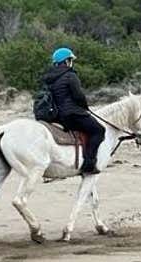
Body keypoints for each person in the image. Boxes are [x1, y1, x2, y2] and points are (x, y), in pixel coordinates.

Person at [42, 47, 105, 175]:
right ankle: (89, 164)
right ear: (66, 61)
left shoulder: (50, 78)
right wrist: (85, 107)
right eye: (71, 60)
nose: (71, 63)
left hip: (59, 116)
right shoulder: (70, 75)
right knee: (99, 130)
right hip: (73, 114)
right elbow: (78, 96)